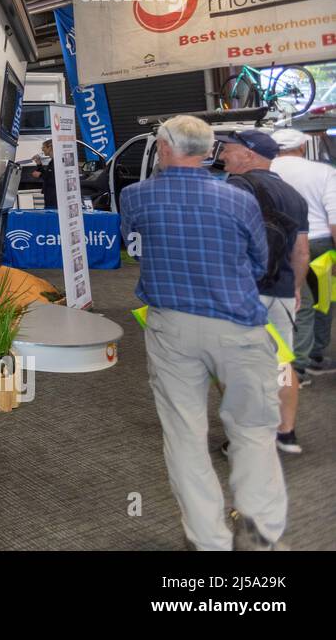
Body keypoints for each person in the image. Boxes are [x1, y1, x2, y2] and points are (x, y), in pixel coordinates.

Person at [119, 115, 286, 551]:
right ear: (209, 151)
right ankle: (259, 526)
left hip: (171, 325)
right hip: (238, 324)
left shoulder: (136, 196)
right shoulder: (238, 199)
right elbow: (257, 261)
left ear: (163, 147)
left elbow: (133, 244)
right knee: (252, 427)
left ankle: (208, 540)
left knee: (184, 434)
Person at [219, 130, 309, 456]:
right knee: (281, 363)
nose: (223, 154)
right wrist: (296, 288)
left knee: (240, 366)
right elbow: (301, 251)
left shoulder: (235, 188)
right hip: (282, 291)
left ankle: (246, 438)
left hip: (244, 293)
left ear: (249, 154)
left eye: (229, 149)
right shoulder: (294, 195)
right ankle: (286, 431)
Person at [270, 128, 336, 378]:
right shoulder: (323, 172)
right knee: (323, 299)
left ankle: (290, 359)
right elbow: (334, 217)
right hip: (320, 244)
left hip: (279, 243)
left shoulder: (268, 170)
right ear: (301, 147)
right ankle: (309, 359)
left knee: (293, 302)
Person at [28, 139, 57, 208]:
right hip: (49, 195)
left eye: (43, 147)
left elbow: (53, 178)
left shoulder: (56, 161)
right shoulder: (52, 161)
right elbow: (47, 175)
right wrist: (39, 164)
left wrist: (40, 174)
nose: (42, 150)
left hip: (54, 197)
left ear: (50, 147)